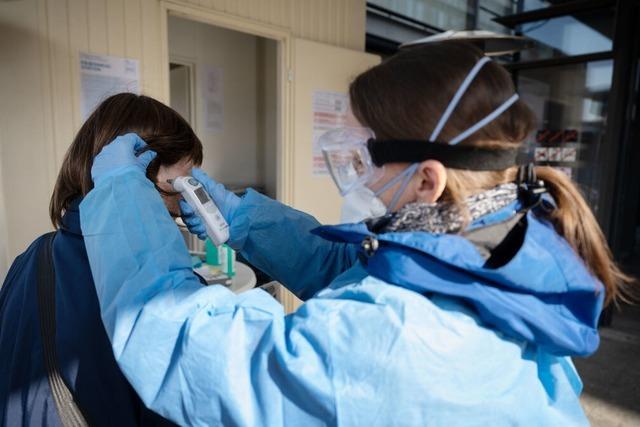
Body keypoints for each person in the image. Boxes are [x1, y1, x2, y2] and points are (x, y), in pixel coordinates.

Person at [78, 43, 634, 426]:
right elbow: (354, 271)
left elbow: (184, 346)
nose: (357, 175)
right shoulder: (503, 248)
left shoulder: (401, 336)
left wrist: (122, 198)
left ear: (427, 180)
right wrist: (244, 220)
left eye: (365, 157)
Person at [0, 93, 203, 426]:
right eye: (185, 182)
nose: (188, 202)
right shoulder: (160, 292)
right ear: (138, 176)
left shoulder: (33, 254)